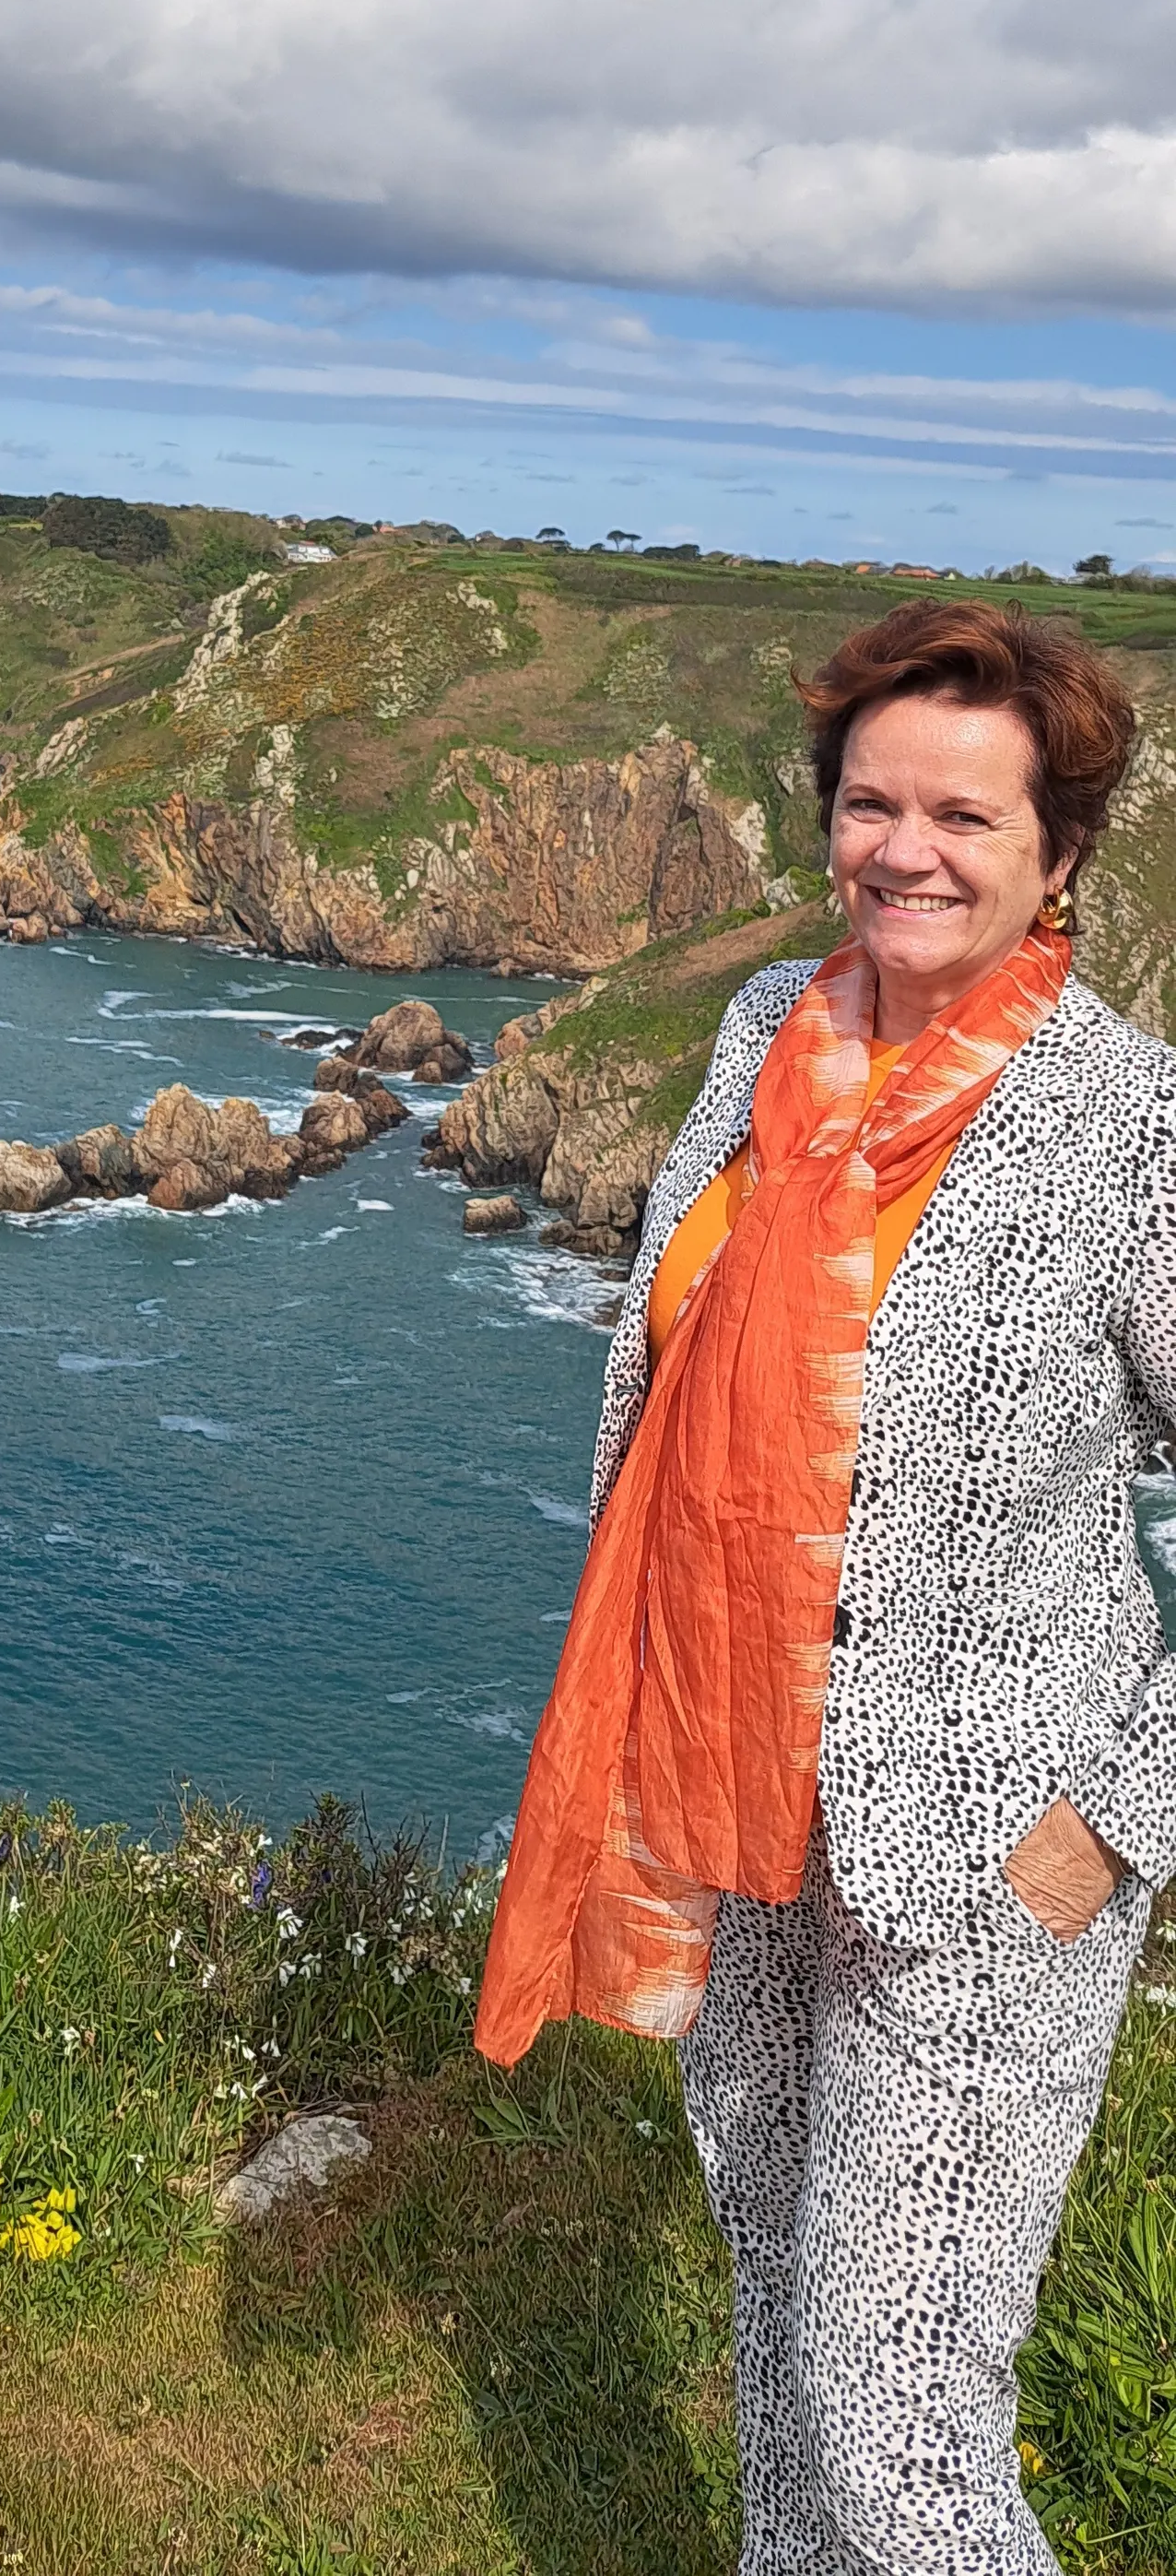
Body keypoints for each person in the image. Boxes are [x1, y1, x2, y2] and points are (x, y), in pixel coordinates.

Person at [475, 597, 1176, 2576]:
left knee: (898, 2411)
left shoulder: (1131, 1136)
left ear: (1059, 855)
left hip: (986, 1854)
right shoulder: (757, 1035)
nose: (906, 849)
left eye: (966, 811)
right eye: (872, 802)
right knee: (784, 2331)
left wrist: (1113, 1825)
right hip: (735, 1795)